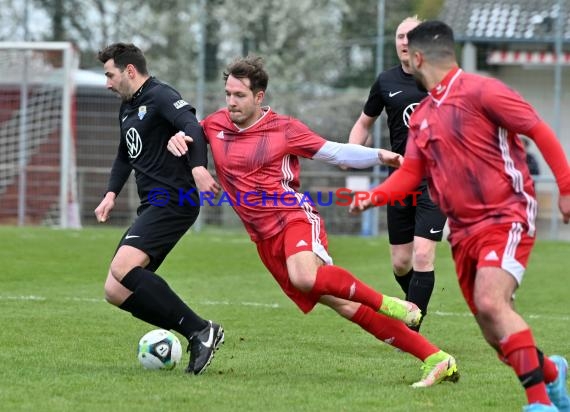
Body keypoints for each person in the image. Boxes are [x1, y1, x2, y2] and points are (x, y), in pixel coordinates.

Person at [167, 55, 460, 387]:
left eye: (240, 95)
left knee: (305, 277)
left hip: (293, 218)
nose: (231, 102)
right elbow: (188, 139)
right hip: (263, 239)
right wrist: (179, 143)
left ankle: (392, 303)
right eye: (228, 94)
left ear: (259, 97)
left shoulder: (284, 129)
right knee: (346, 307)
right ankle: (436, 358)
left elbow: (334, 151)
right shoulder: (215, 125)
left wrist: (379, 155)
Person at [350, 20, 570, 412]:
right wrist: (374, 195)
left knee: (489, 301)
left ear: (417, 58)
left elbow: (539, 131)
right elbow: (412, 173)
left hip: (506, 214)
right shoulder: (423, 116)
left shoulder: (484, 90)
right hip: (464, 231)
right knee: (494, 329)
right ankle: (551, 374)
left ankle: (539, 404)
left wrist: (566, 188)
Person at [94, 43, 224, 375]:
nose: (107, 83)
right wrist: (110, 193)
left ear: (129, 71)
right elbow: (125, 154)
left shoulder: (161, 95)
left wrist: (198, 168)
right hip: (152, 203)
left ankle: (200, 329)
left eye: (110, 75)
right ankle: (197, 332)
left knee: (123, 267)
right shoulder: (127, 107)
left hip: (174, 199)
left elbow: (193, 127)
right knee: (115, 289)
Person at [348, 16, 446, 331]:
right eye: (400, 36)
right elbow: (364, 122)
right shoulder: (385, 81)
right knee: (401, 264)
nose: (405, 41)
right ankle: (415, 304)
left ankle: (411, 329)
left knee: (421, 255)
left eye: (412, 36)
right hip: (401, 182)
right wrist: (354, 154)